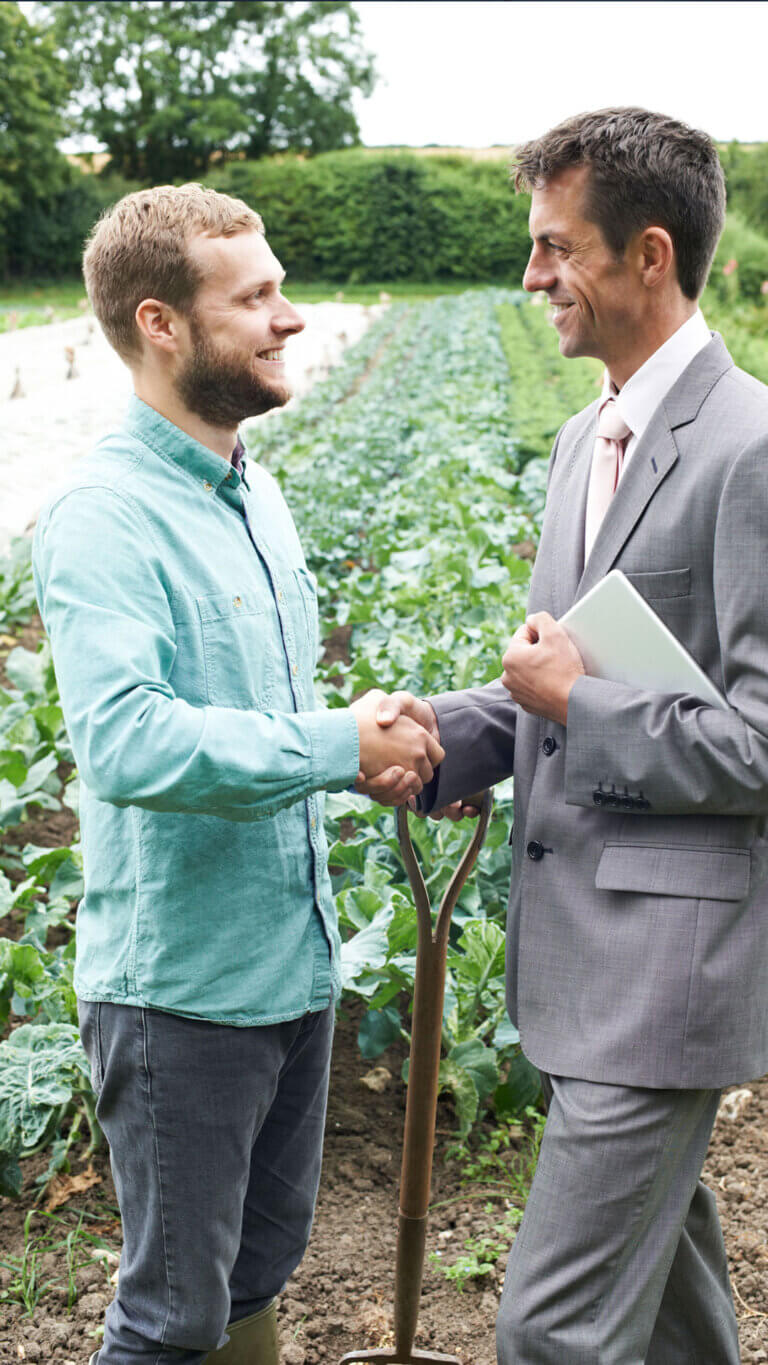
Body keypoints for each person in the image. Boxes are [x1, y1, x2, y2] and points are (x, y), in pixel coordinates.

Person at [367, 108, 768, 1362]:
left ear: (650, 256)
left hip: (666, 973)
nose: (531, 277)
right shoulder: (577, 441)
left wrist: (568, 703)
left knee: (552, 1334)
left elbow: (755, 743)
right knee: (674, 1319)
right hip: (591, 961)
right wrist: (460, 734)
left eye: (555, 249)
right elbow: (570, 673)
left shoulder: (751, 449)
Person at [32, 183, 443, 1365]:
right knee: (169, 1320)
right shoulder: (106, 515)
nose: (290, 316)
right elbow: (125, 742)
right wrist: (329, 744)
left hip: (290, 968)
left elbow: (261, 714)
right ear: (162, 324)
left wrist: (363, 745)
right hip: (183, 997)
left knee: (258, 1274)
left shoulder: (252, 488)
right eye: (254, 297)